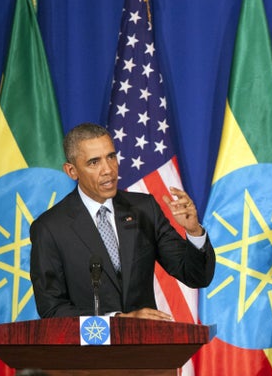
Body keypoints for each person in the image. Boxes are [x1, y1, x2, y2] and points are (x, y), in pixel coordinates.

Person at [30, 123, 215, 319]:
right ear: (71, 171)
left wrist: (194, 231)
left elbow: (196, 276)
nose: (108, 169)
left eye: (111, 157)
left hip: (144, 347)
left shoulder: (144, 209)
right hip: (89, 348)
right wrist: (117, 321)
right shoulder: (50, 228)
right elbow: (52, 309)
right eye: (94, 162)